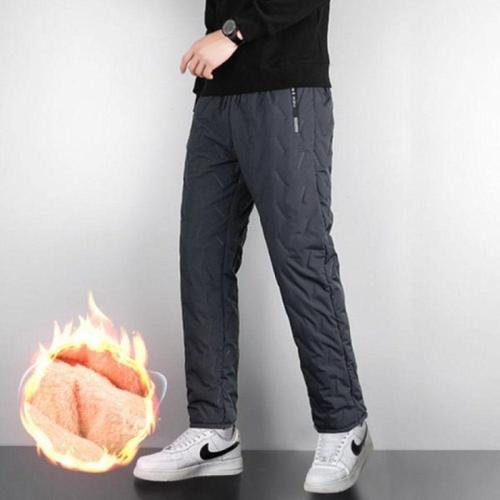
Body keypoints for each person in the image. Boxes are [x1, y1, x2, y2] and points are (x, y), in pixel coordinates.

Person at [133, 0, 372, 493]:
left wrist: (232, 33)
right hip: (216, 96)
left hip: (286, 91)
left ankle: (344, 424)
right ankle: (214, 430)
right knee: (202, 261)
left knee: (301, 258)